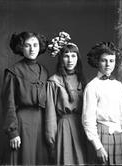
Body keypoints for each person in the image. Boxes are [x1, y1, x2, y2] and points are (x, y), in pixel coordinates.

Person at [1, 31, 49, 165]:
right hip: (23, 124)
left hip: (41, 123)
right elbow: (8, 104)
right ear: (21, 48)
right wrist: (13, 132)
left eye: (35, 45)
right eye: (27, 45)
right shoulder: (13, 71)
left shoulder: (44, 71)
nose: (32, 49)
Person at [82, 42, 122, 165]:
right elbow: (87, 120)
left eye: (111, 60)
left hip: (119, 135)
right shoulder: (92, 86)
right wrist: (98, 146)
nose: (108, 64)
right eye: (104, 60)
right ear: (97, 62)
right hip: (101, 135)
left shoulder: (118, 85)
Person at [45, 32, 87, 165]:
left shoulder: (83, 80)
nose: (70, 60)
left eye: (73, 56)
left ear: (77, 58)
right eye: (66, 56)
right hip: (63, 127)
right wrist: (52, 138)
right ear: (61, 59)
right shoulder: (53, 81)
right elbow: (50, 113)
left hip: (81, 127)